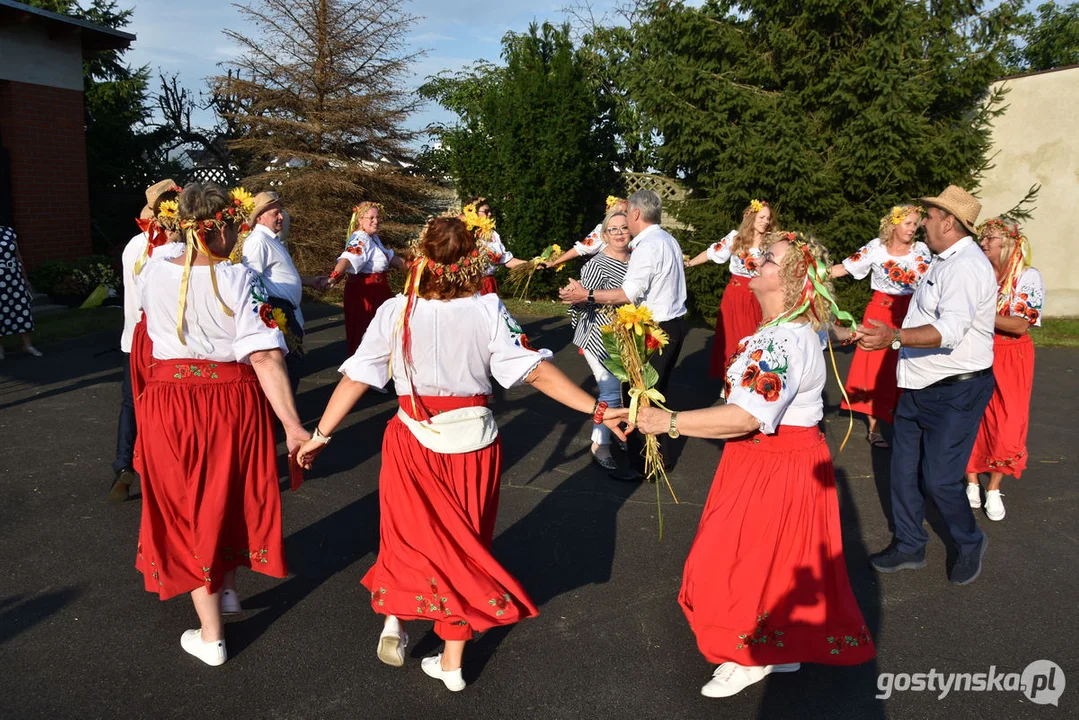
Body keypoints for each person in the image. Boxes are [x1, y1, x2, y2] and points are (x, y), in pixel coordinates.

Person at [297, 214, 627, 692]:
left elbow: (357, 377)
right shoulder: (487, 310)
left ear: (422, 259)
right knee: (466, 544)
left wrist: (320, 435)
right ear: (472, 261)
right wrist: (598, 409)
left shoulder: (395, 310)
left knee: (406, 535)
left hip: (412, 439)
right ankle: (452, 661)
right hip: (472, 445)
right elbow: (534, 372)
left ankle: (399, 617)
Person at [634, 232, 875, 698]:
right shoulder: (792, 329)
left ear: (790, 282)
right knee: (779, 560)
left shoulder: (781, 341)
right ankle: (777, 650)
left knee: (736, 559)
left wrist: (670, 421)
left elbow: (745, 417)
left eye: (767, 259)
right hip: (789, 458)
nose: (756, 261)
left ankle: (746, 657)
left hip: (775, 462)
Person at [134, 182, 309, 666]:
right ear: (220, 226)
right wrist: (293, 426)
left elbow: (147, 322)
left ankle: (215, 619)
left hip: (170, 402)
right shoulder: (240, 279)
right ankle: (220, 609)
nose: (240, 233)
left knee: (189, 505)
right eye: (235, 225)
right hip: (231, 400)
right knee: (224, 494)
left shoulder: (152, 270)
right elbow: (268, 357)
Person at [859, 185, 995, 586]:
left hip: (955, 390)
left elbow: (950, 330)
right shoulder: (943, 259)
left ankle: (970, 542)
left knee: (939, 478)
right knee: (901, 470)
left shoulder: (965, 266)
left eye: (931, 217)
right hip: (919, 385)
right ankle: (909, 543)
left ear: (950, 223)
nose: (925, 225)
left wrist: (895, 337)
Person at [560, 189, 688, 481]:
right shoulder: (668, 239)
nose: (622, 229)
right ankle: (655, 458)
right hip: (672, 325)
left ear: (635, 215)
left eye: (625, 218)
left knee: (639, 396)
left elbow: (628, 294)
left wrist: (586, 294)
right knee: (654, 395)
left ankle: (642, 463)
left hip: (655, 328)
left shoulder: (646, 246)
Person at [830, 205, 932, 448]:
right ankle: (875, 426)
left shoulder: (922, 250)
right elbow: (844, 268)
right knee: (874, 368)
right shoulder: (876, 247)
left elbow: (934, 279)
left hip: (910, 313)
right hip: (880, 311)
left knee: (904, 365)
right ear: (894, 224)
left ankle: (904, 420)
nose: (912, 228)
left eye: (915, 224)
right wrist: (809, 274)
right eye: (908, 223)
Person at [110, 179, 185, 502]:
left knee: (132, 404)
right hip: (160, 339)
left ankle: (123, 465)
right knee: (166, 407)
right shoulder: (169, 250)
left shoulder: (133, 246)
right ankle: (165, 471)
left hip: (133, 337)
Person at [965, 217, 1043, 521]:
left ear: (1008, 242)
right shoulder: (980, 273)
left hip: (1012, 355)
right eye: (982, 239)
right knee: (972, 414)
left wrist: (977, 314)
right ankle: (972, 479)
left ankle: (994, 487)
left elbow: (1020, 325)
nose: (983, 244)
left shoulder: (1027, 277)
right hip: (978, 348)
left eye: (990, 239)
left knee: (1007, 421)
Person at [567, 209, 631, 470]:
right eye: (613, 229)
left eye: (624, 228)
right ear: (604, 234)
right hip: (600, 335)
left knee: (626, 388)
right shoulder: (595, 265)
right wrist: (574, 296)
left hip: (628, 335)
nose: (618, 233)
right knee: (610, 390)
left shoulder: (638, 259)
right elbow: (582, 304)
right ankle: (600, 444)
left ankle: (619, 432)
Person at [242, 191, 323, 392]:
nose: (281, 217)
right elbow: (250, 279)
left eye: (281, 213)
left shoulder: (271, 240)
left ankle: (284, 416)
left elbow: (278, 275)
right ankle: (281, 418)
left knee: (292, 365)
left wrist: (309, 281)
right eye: (275, 214)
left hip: (286, 310)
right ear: (260, 217)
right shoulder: (258, 241)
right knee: (290, 365)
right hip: (278, 310)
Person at [685, 200, 776, 377]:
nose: (765, 221)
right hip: (736, 294)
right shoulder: (736, 238)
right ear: (751, 217)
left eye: (768, 218)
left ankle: (751, 377)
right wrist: (688, 263)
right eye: (762, 217)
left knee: (756, 338)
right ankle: (731, 378)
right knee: (734, 337)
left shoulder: (771, 243)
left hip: (760, 296)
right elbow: (712, 254)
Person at [326, 202, 407, 355]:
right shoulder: (360, 238)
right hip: (365, 293)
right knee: (366, 335)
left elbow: (392, 259)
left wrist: (419, 267)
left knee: (381, 335)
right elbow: (348, 258)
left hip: (379, 291)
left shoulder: (373, 238)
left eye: (377, 217)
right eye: (371, 217)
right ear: (359, 220)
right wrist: (334, 276)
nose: (375, 221)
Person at [541, 196, 629, 270]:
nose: (624, 215)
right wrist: (554, 262)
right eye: (620, 212)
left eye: (626, 212)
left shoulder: (632, 229)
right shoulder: (602, 230)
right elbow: (580, 249)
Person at [464, 197, 529, 295]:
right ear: (473, 213)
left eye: (490, 211)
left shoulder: (493, 235)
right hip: (469, 285)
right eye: (486, 211)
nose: (489, 214)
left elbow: (506, 260)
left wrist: (531, 264)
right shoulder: (464, 233)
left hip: (488, 284)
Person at [0, 224, 42, 360]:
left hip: (14, 276)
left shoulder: (9, 232)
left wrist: (25, 279)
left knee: (22, 308)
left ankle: (27, 345)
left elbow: (18, 257)